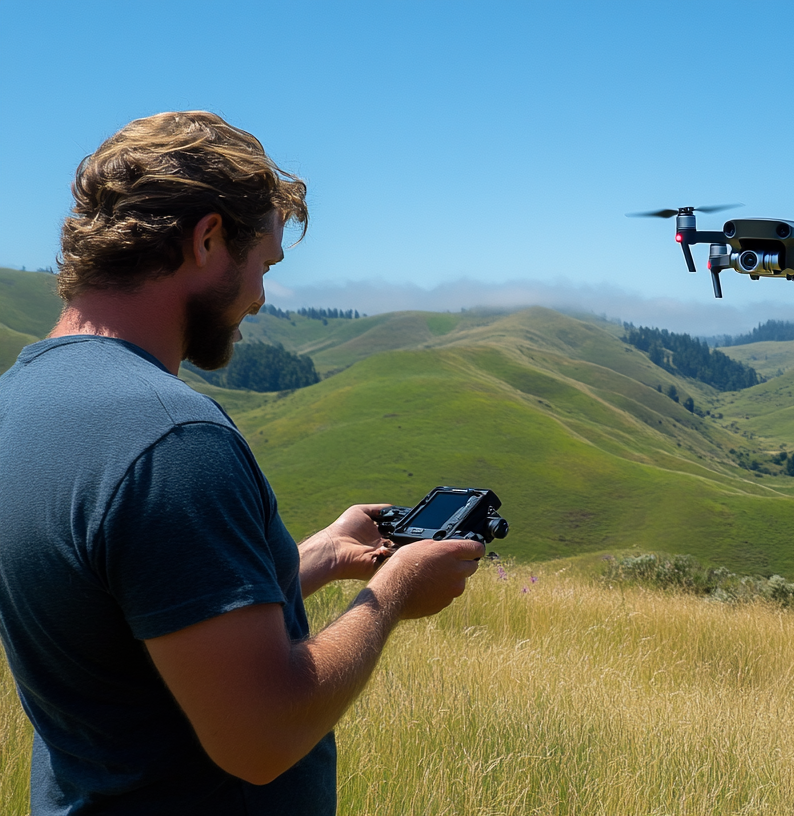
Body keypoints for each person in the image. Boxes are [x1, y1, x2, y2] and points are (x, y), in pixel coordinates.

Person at [0, 111, 484, 815]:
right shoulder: (172, 441)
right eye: (264, 264)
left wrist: (316, 557)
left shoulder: (20, 399)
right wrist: (397, 590)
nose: (260, 296)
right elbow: (261, 737)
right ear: (207, 239)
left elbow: (129, 617)